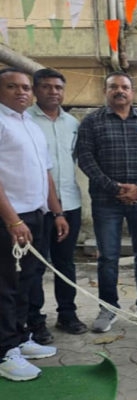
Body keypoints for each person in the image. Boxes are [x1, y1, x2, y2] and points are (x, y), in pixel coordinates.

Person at [76, 71, 137, 333]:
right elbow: (85, 158)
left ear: (132, 92)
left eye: (125, 87)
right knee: (108, 256)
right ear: (105, 91)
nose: (120, 91)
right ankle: (108, 308)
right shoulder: (92, 122)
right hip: (106, 201)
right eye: (114, 87)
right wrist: (114, 187)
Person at [0, 67, 68, 381]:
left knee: (27, 282)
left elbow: (46, 173)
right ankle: (4, 352)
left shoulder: (30, 124)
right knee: (6, 286)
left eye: (26, 87)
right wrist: (12, 220)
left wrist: (57, 213)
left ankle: (19, 338)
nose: (22, 92)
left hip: (36, 216)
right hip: (10, 219)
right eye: (12, 87)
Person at [27, 68, 87, 341]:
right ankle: (34, 320)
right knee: (36, 265)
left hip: (70, 202)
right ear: (35, 90)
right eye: (47, 86)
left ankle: (67, 314)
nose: (53, 92)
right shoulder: (25, 121)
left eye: (58, 87)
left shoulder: (72, 123)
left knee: (66, 263)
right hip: (37, 207)